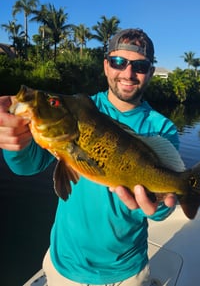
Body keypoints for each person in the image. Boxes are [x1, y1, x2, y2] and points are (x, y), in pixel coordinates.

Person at [0, 28, 179, 286]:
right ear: (106, 66)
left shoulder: (162, 129)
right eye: (119, 62)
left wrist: (160, 204)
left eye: (139, 66)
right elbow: (27, 166)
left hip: (126, 271)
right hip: (66, 266)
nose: (128, 73)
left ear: (150, 72)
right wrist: (15, 141)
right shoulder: (78, 107)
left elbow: (162, 206)